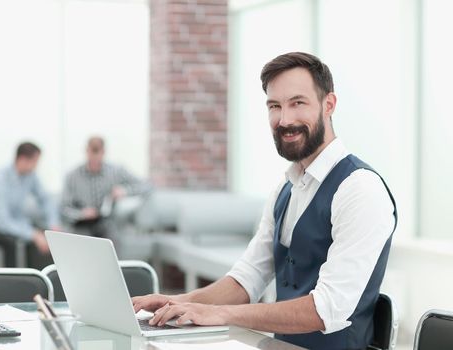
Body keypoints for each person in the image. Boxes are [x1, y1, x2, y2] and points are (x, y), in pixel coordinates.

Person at [132, 52, 397, 350]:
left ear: (329, 104)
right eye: (275, 106)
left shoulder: (360, 190)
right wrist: (173, 302)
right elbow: (247, 280)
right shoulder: (286, 188)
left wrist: (217, 314)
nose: (285, 120)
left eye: (298, 103)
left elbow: (327, 309)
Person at [0, 142, 60, 269]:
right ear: (22, 159)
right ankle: (13, 285)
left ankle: (42, 281)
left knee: (45, 236)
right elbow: (1, 222)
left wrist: (53, 223)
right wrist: (33, 235)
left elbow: (45, 199)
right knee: (13, 242)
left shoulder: (30, 176)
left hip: (15, 222)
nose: (36, 166)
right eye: (35, 162)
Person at [60, 136, 151, 238]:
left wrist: (125, 191)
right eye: (91, 153)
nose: (94, 158)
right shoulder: (72, 176)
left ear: (103, 152)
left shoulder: (116, 171)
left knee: (112, 236)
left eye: (98, 153)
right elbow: (64, 208)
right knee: (81, 240)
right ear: (86, 151)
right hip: (81, 225)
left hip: (107, 223)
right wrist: (82, 213)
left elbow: (146, 185)